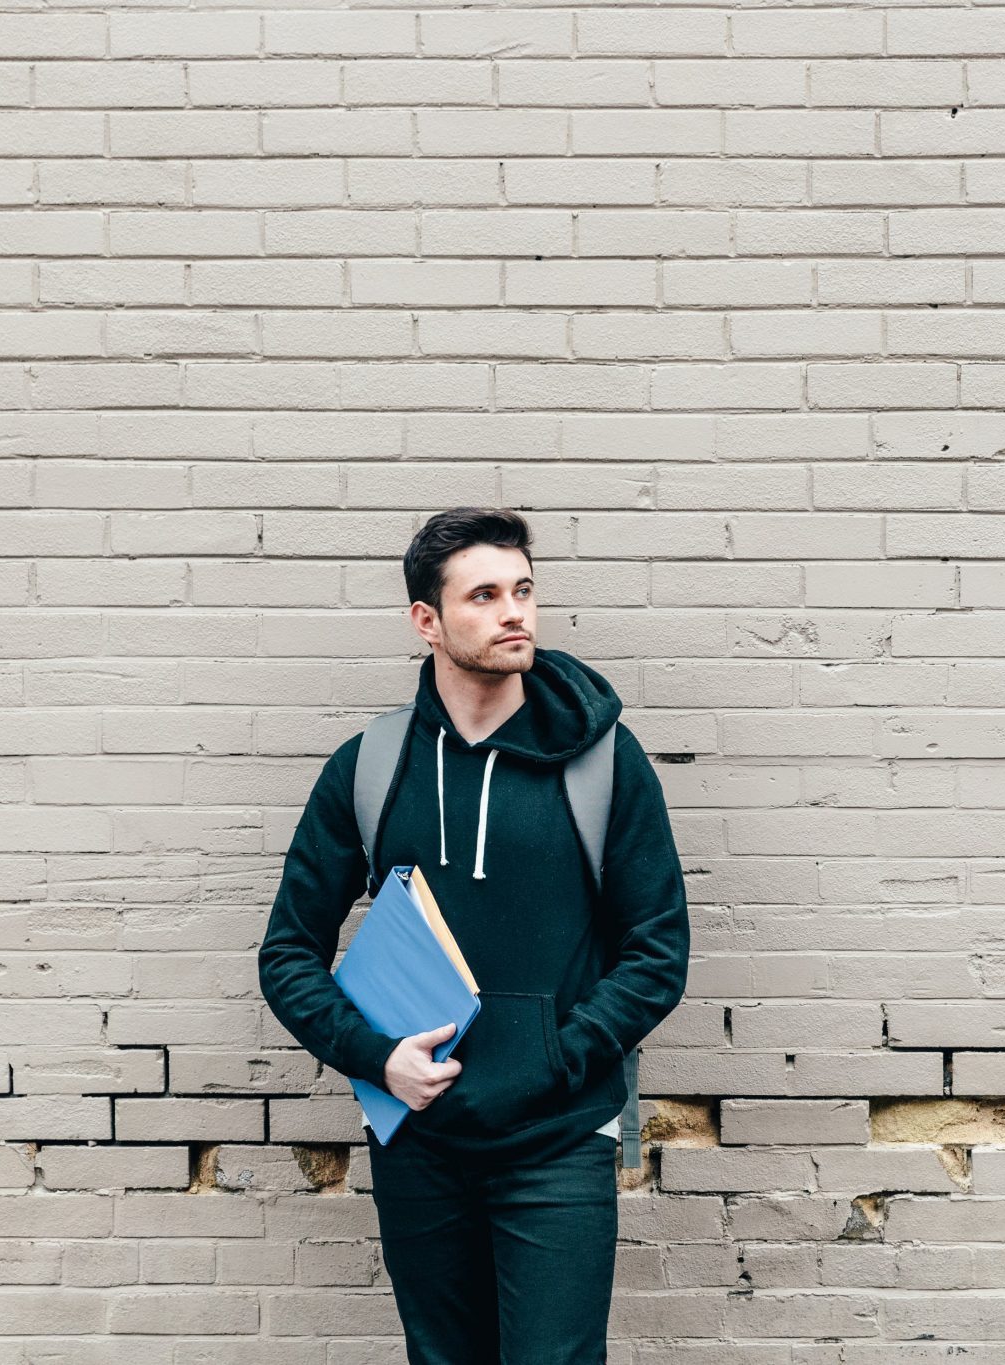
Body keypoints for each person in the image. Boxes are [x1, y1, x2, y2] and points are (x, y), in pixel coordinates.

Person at [258, 506, 691, 1364]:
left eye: (523, 590)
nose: (514, 613)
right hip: (422, 1143)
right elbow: (287, 953)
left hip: (558, 1139)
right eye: (485, 594)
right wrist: (377, 1058)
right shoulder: (372, 765)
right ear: (428, 620)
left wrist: (557, 1059)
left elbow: (657, 950)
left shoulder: (603, 759)